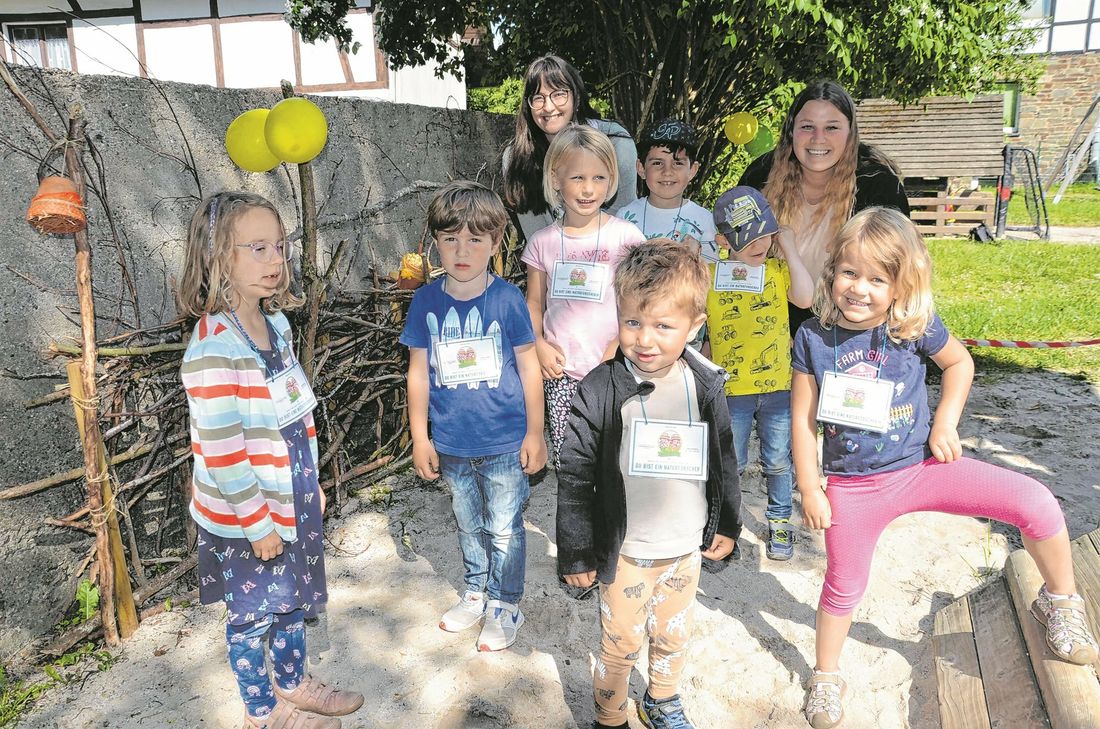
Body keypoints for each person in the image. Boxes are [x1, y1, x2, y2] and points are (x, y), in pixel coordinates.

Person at [791, 208, 1098, 729]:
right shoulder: (814, 339)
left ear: (899, 284)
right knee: (843, 583)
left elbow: (960, 363)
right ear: (831, 270)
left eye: (876, 278)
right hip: (855, 486)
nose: (858, 288)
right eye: (848, 272)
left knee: (1037, 503)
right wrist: (810, 487)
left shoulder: (910, 326)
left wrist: (945, 423)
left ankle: (1060, 600)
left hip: (922, 467)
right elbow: (802, 421)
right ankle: (826, 675)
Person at [179, 192, 363, 729]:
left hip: (290, 492)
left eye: (278, 246)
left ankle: (293, 681)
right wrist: (257, 522)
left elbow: (298, 410)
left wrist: (312, 486)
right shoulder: (214, 348)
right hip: (247, 515)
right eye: (256, 248)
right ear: (217, 258)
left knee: (291, 597)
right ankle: (262, 712)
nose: (275, 259)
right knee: (252, 616)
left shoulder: (276, 328)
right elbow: (223, 450)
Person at [557, 240, 742, 729]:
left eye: (664, 326)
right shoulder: (599, 389)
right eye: (633, 322)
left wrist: (726, 524)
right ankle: (610, 716)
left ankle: (661, 699)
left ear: (694, 326)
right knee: (619, 645)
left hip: (683, 547)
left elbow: (723, 459)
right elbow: (574, 474)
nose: (645, 340)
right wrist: (577, 551)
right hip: (627, 553)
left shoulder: (704, 385)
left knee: (674, 634)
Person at [400, 181, 546, 652]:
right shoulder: (425, 302)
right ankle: (476, 591)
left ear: (496, 242)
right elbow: (417, 373)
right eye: (450, 239)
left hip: (505, 441)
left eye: (475, 240)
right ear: (434, 242)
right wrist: (420, 438)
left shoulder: (508, 300)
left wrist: (535, 433)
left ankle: (506, 603)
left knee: (504, 527)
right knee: (467, 521)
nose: (462, 251)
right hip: (452, 442)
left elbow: (529, 366)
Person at [739, 80, 909, 334]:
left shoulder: (879, 186)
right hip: (768, 325)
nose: (818, 139)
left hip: (848, 328)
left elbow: (895, 272)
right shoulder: (760, 177)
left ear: (850, 133)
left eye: (832, 127)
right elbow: (736, 256)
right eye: (807, 127)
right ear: (791, 131)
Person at [521, 125, 646, 468]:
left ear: (611, 179)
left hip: (615, 368)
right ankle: (578, 520)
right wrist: (537, 343)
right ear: (555, 178)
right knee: (571, 460)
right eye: (578, 177)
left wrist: (622, 342)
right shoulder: (542, 242)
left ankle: (614, 521)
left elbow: (643, 301)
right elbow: (534, 302)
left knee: (617, 458)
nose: (589, 189)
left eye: (599, 177)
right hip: (563, 373)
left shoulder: (627, 236)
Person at [704, 186, 813, 560]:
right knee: (733, 461)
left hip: (778, 388)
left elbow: (806, 298)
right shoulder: (710, 275)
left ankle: (780, 520)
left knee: (779, 459)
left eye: (765, 234)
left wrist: (791, 250)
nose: (759, 243)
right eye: (746, 237)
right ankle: (726, 522)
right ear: (722, 241)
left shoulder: (778, 270)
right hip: (732, 390)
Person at [503, 54, 637, 243]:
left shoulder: (616, 144)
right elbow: (537, 238)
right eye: (538, 98)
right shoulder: (517, 158)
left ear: (576, 97)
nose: (548, 107)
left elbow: (624, 217)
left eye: (559, 94)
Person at [616, 118, 718, 260]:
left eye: (677, 163)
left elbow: (710, 274)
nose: (667, 172)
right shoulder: (625, 216)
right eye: (657, 163)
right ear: (641, 168)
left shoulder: (704, 220)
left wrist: (694, 259)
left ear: (693, 170)